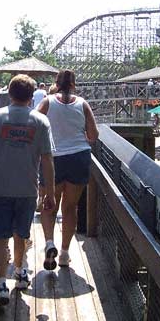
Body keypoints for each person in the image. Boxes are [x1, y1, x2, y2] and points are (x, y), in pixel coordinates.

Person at [0, 74, 56, 312]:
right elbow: (47, 159)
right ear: (32, 96)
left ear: (9, 93)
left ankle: (1, 284)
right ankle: (21, 273)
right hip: (27, 189)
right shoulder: (41, 121)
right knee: (20, 234)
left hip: (0, 187)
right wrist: (50, 193)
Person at [37, 69, 98, 269]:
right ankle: (64, 253)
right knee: (70, 207)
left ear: (56, 82)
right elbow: (93, 135)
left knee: (49, 205)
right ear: (74, 84)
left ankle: (48, 244)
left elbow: (34, 122)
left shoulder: (47, 102)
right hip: (78, 157)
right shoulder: (82, 104)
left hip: (53, 159)